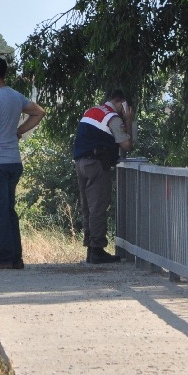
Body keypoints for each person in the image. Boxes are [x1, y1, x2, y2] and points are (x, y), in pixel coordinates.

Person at [0, 56, 45, 269]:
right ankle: (15, 258)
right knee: (9, 210)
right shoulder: (15, 96)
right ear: (5, 73)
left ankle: (3, 257)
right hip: (14, 161)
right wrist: (18, 131)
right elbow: (39, 112)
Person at [73, 89, 134, 264]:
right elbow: (127, 145)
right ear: (122, 103)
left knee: (87, 208)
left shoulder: (91, 111)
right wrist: (128, 121)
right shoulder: (112, 118)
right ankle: (98, 249)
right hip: (97, 163)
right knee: (98, 206)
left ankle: (90, 248)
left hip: (80, 163)